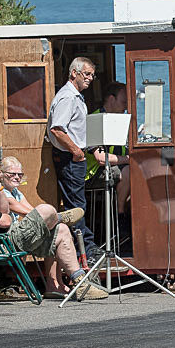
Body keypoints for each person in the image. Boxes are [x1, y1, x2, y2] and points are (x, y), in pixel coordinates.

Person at [0, 151, 106, 299]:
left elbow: (4, 210)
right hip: (0, 243)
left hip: (7, 238)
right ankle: (58, 217)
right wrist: (43, 218)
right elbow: (6, 221)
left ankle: (81, 283)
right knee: (45, 209)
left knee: (62, 230)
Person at [46, 57, 101, 265]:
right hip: (70, 157)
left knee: (78, 203)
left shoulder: (76, 96)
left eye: (92, 75)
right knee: (76, 205)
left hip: (75, 156)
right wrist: (77, 151)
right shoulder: (68, 97)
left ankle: (84, 248)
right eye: (86, 74)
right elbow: (57, 129)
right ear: (74, 73)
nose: (90, 79)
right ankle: (85, 250)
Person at [85, 82, 131, 226]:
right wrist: (129, 159)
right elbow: (100, 158)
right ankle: (121, 215)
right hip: (92, 173)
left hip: (114, 167)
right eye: (124, 102)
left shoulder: (120, 120)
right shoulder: (94, 120)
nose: (126, 107)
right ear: (111, 99)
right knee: (130, 171)